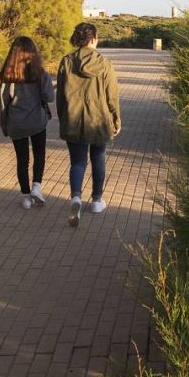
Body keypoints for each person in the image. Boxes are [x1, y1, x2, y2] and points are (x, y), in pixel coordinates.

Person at [56, 21, 120, 227]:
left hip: (73, 119)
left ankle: (76, 197)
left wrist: (62, 117)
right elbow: (112, 95)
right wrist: (116, 118)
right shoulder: (104, 63)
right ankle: (96, 200)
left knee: (77, 162)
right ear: (93, 39)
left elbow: (60, 95)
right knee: (98, 159)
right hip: (99, 119)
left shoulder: (66, 62)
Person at [0, 36, 54, 209]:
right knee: (39, 154)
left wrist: (5, 125)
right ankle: (37, 186)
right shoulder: (40, 74)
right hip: (37, 121)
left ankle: (25, 196)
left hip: (16, 123)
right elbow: (49, 97)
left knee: (22, 159)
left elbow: (3, 101)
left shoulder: (8, 76)